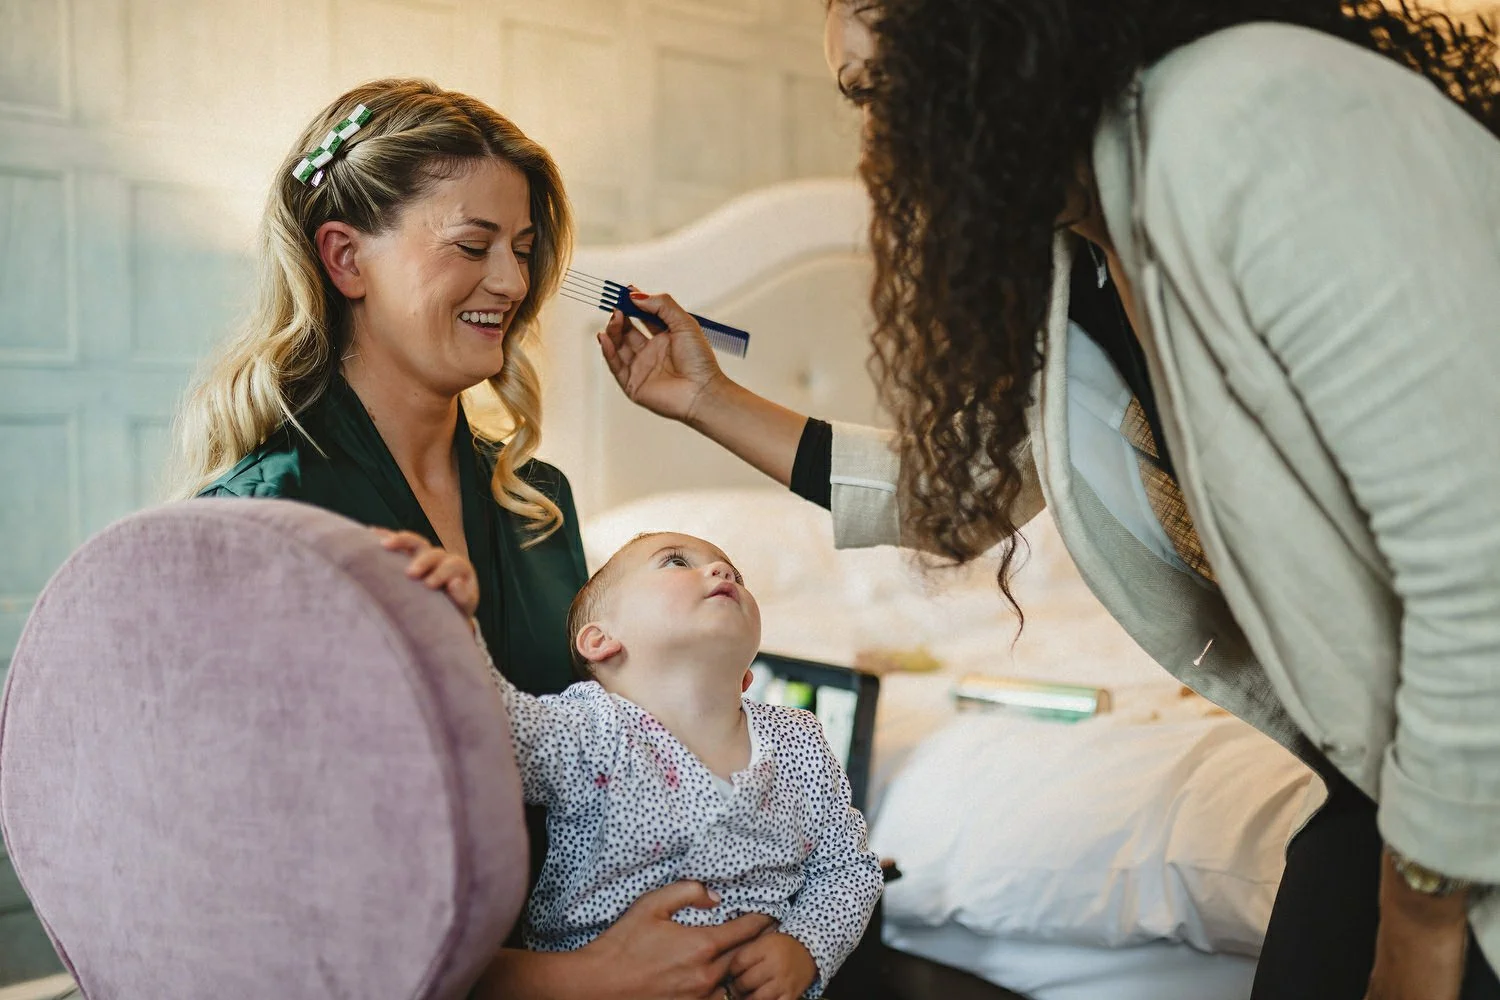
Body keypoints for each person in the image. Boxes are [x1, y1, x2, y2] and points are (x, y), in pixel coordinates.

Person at [597, 2, 1500, 999]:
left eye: (874, 96)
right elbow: (958, 492)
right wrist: (708, 402)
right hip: (1383, 776)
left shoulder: (1240, 118)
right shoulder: (1086, 251)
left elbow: (1479, 564)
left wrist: (1420, 919)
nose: (871, 147)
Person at [169, 78, 774, 999]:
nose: (514, 283)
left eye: (525, 251)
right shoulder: (269, 526)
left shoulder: (539, 505)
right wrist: (570, 981)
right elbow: (271, 888)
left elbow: (593, 771)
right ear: (345, 258)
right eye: (473, 246)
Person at [381, 527, 883, 1000]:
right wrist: (455, 626)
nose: (722, 574)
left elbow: (850, 869)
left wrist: (805, 947)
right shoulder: (591, 728)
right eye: (677, 562)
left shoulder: (799, 740)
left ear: (747, 674)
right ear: (601, 640)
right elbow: (497, 729)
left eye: (734, 573)